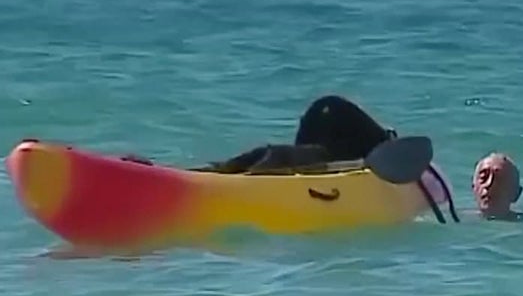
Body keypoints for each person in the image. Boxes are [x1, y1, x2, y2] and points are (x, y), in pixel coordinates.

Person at [121, 95, 398, 172]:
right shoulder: (361, 132)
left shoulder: (366, 142)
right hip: (321, 151)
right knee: (258, 157)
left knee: (266, 157)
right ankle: (163, 173)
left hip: (325, 153)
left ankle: (163, 173)